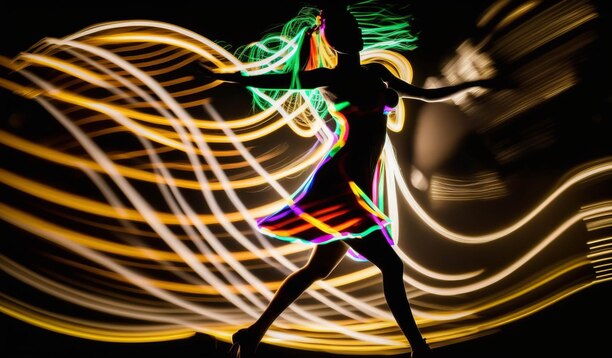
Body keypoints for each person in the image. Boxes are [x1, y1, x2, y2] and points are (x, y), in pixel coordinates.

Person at [198, 2, 498, 357]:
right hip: (341, 185)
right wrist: (232, 77)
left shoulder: (378, 72)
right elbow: (280, 81)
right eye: (342, 30)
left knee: (318, 269)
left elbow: (428, 95)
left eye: (353, 26)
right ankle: (419, 348)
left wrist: (478, 82)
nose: (352, 32)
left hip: (359, 185)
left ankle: (252, 333)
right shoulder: (330, 78)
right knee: (392, 264)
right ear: (333, 40)